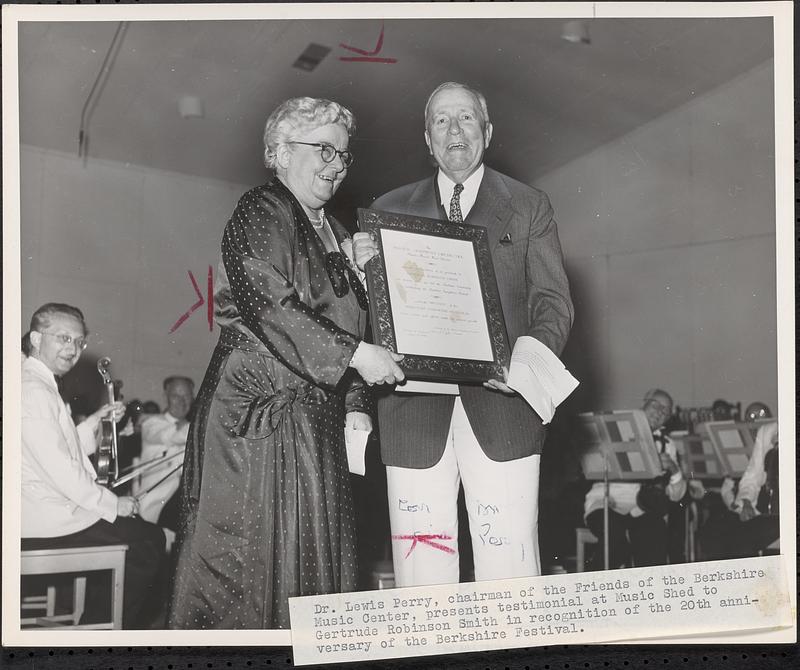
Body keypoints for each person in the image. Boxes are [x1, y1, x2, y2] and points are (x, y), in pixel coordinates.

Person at [168, 97, 404, 630]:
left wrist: (357, 402)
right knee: (244, 570)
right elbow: (271, 303)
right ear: (278, 152)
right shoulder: (262, 208)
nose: (336, 164)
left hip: (314, 419)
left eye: (343, 154)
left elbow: (351, 327)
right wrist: (355, 357)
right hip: (253, 416)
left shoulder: (341, 235)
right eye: (322, 148)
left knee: (311, 564)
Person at [352, 81, 574, 586]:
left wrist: (521, 367)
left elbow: (553, 304)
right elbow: (367, 321)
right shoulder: (387, 209)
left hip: (504, 406)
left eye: (467, 118)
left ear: (488, 132)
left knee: (510, 571)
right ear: (427, 140)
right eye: (441, 121)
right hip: (412, 411)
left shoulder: (528, 205)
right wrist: (358, 274)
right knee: (420, 573)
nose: (455, 130)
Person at [21, 302, 166, 629]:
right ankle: (97, 632)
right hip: (43, 522)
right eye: (62, 338)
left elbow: (63, 445)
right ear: (35, 339)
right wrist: (114, 504)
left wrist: (98, 422)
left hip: (46, 512)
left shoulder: (39, 383)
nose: (72, 349)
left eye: (78, 341)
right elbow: (60, 470)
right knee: (148, 541)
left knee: (138, 537)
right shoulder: (33, 390)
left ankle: (93, 622)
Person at [583, 389, 686, 569]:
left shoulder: (668, 444)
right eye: (656, 405)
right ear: (644, 403)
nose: (660, 412)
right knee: (614, 539)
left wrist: (674, 469)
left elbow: (676, 496)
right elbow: (589, 466)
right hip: (606, 502)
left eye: (666, 411)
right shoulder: (615, 430)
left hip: (642, 508)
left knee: (656, 533)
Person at [699, 419, 779, 560]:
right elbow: (752, 475)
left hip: (784, 515)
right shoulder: (767, 431)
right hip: (765, 510)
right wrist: (746, 502)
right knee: (713, 529)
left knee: (742, 541)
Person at [133, 376, 194, 526]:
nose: (182, 401)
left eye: (186, 396)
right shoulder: (151, 423)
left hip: (183, 507)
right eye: (176, 396)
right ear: (165, 396)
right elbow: (175, 436)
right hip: (155, 509)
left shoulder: (190, 426)